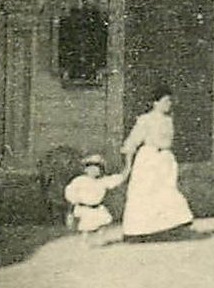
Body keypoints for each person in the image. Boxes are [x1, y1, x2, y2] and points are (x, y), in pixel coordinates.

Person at [120, 86, 194, 240]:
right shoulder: (146, 119)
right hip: (149, 159)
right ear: (155, 102)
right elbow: (131, 143)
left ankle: (165, 229)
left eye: (170, 101)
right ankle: (137, 231)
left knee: (166, 192)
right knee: (146, 193)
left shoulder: (169, 120)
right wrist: (128, 167)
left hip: (165, 160)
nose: (169, 104)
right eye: (165, 101)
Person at [63, 154, 126, 244]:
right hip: (85, 208)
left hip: (97, 207)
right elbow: (71, 191)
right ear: (86, 170)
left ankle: (100, 239)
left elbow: (117, 179)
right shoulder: (80, 180)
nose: (94, 171)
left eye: (97, 169)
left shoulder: (102, 181)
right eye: (91, 169)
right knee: (86, 226)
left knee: (103, 221)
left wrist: (126, 168)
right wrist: (73, 203)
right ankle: (84, 241)